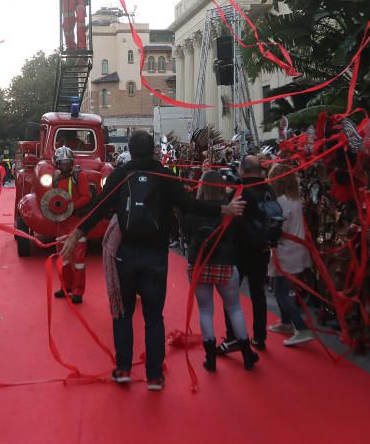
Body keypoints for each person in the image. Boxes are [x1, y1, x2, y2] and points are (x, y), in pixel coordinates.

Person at [61, 130, 245, 390]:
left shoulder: (121, 174)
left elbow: (99, 206)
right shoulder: (163, 175)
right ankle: (155, 375)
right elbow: (187, 204)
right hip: (156, 255)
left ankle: (123, 368)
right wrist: (222, 208)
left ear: (131, 149)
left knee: (123, 313)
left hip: (125, 254)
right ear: (153, 150)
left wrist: (77, 232)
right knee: (154, 316)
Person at [184, 170, 257, 372]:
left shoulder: (193, 209)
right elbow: (243, 233)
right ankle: (247, 354)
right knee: (234, 308)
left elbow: (186, 232)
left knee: (205, 310)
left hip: (199, 263)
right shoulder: (230, 208)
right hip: (225, 262)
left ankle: (210, 358)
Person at [218, 154, 272, 353]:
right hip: (261, 250)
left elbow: (234, 220)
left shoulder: (240, 191)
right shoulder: (269, 190)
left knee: (230, 296)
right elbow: (276, 217)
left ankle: (232, 336)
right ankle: (259, 336)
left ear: (244, 170)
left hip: (240, 251)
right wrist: (268, 241)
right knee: (258, 294)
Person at [265, 165, 314, 347]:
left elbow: (280, 227)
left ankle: (301, 328)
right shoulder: (294, 199)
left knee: (280, 290)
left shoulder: (283, 202)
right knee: (280, 287)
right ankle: (286, 322)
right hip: (295, 248)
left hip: (287, 250)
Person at [51, 146, 93, 304]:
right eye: (62, 163)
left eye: (67, 163)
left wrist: (70, 207)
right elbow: (52, 197)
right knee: (63, 258)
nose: (64, 166)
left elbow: (86, 196)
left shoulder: (79, 176)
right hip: (61, 223)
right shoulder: (55, 177)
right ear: (57, 163)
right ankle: (65, 287)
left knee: (78, 259)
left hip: (76, 223)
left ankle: (78, 291)